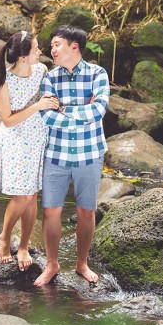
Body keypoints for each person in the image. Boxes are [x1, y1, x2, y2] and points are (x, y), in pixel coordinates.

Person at [34, 25, 110, 286]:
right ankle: (52, 264)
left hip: (90, 153)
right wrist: (79, 113)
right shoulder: (50, 78)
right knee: (50, 210)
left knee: (86, 212)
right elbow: (46, 115)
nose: (51, 50)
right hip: (56, 152)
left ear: (73, 47)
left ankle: (82, 263)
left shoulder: (97, 74)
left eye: (56, 44)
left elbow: (99, 110)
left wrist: (64, 109)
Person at [0, 30, 60, 271]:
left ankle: (24, 246)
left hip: (38, 136)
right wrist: (38, 105)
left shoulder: (41, 71)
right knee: (22, 196)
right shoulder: (3, 82)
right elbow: (8, 120)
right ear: (22, 58)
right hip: (16, 138)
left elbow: (50, 95)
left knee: (32, 195)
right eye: (36, 49)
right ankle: (5, 236)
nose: (40, 52)